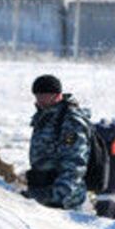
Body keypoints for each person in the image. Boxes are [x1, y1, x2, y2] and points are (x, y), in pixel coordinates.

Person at [26, 74, 91, 210]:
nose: (39, 100)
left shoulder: (70, 121)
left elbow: (74, 164)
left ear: (57, 95)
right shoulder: (45, 115)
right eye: (37, 96)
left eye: (43, 96)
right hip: (44, 191)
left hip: (65, 199)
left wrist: (58, 196)